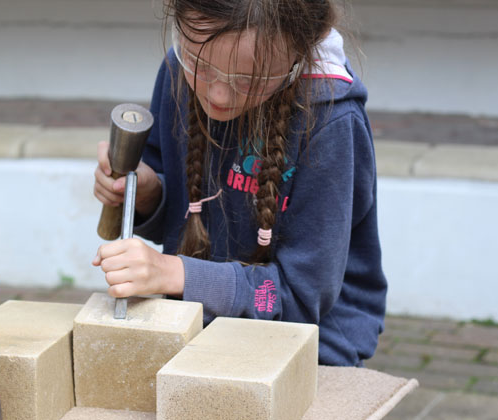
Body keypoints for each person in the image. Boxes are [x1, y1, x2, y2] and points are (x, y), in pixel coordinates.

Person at [92, 0, 387, 366]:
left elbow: (299, 297)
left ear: (297, 55)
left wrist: (175, 273)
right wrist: (150, 193)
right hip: (195, 329)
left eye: (248, 80)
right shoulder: (176, 69)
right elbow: (186, 210)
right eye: (200, 66)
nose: (218, 95)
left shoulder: (330, 123)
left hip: (307, 350)